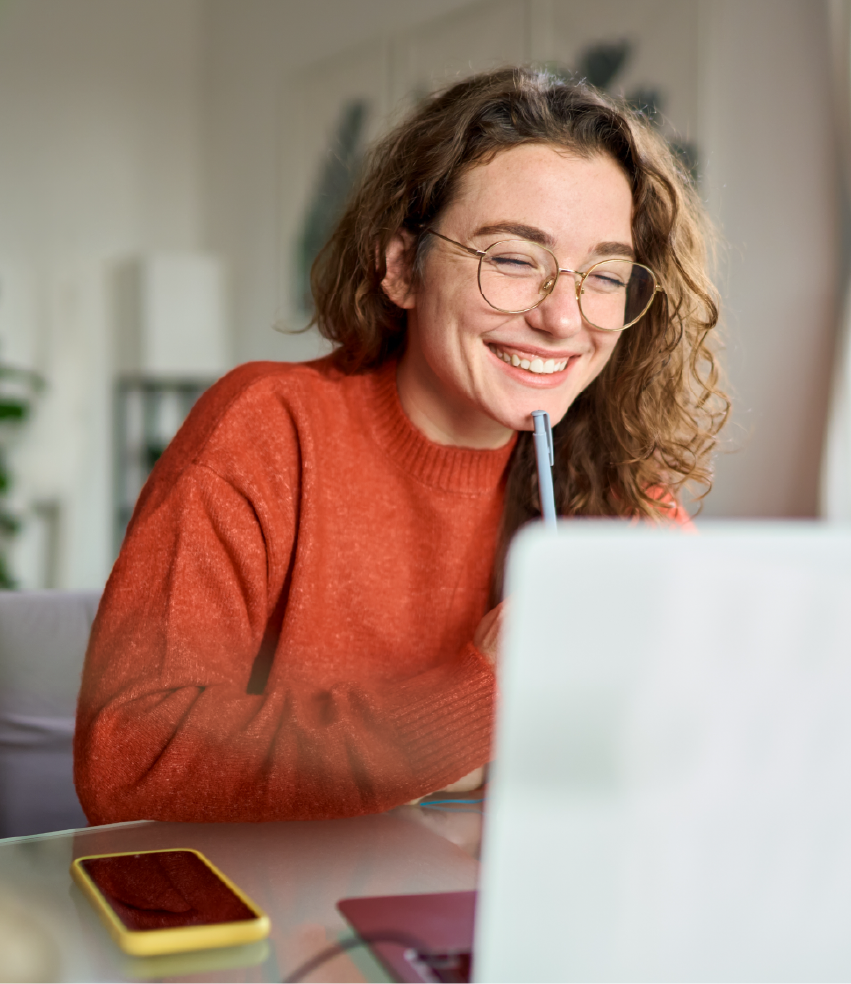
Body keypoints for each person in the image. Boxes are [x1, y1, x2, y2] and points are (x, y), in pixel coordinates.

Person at [74, 67, 727, 824]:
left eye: (604, 275)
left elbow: (701, 741)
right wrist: (477, 694)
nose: (562, 318)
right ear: (399, 268)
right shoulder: (266, 430)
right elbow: (128, 760)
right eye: (513, 259)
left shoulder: (615, 479)